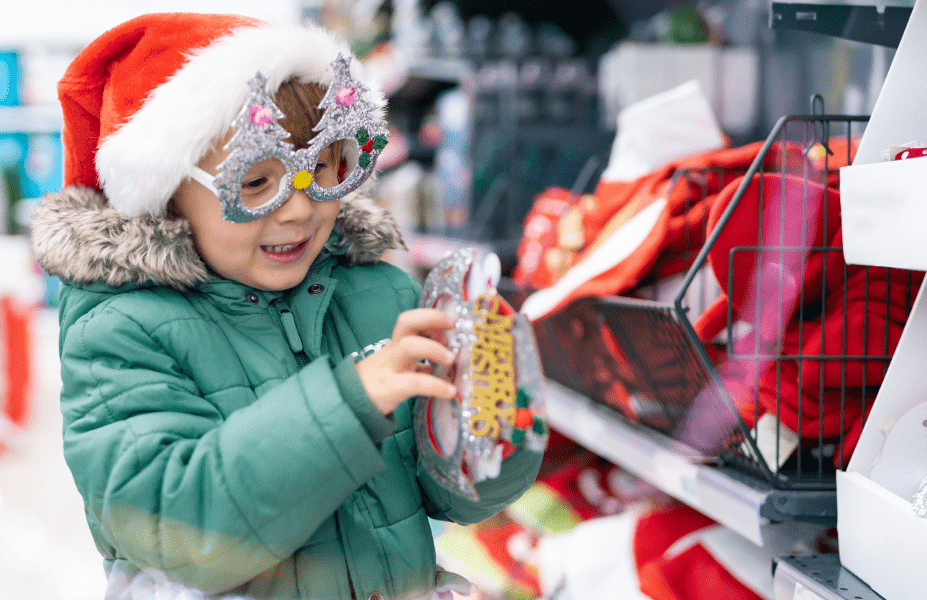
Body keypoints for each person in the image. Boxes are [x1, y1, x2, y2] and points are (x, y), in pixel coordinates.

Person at [30, 12, 544, 600]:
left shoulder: (380, 294)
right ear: (167, 191)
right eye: (255, 182)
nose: (299, 211)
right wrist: (351, 402)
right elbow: (181, 531)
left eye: (322, 168)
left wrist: (493, 423)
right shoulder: (120, 329)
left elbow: (446, 495)